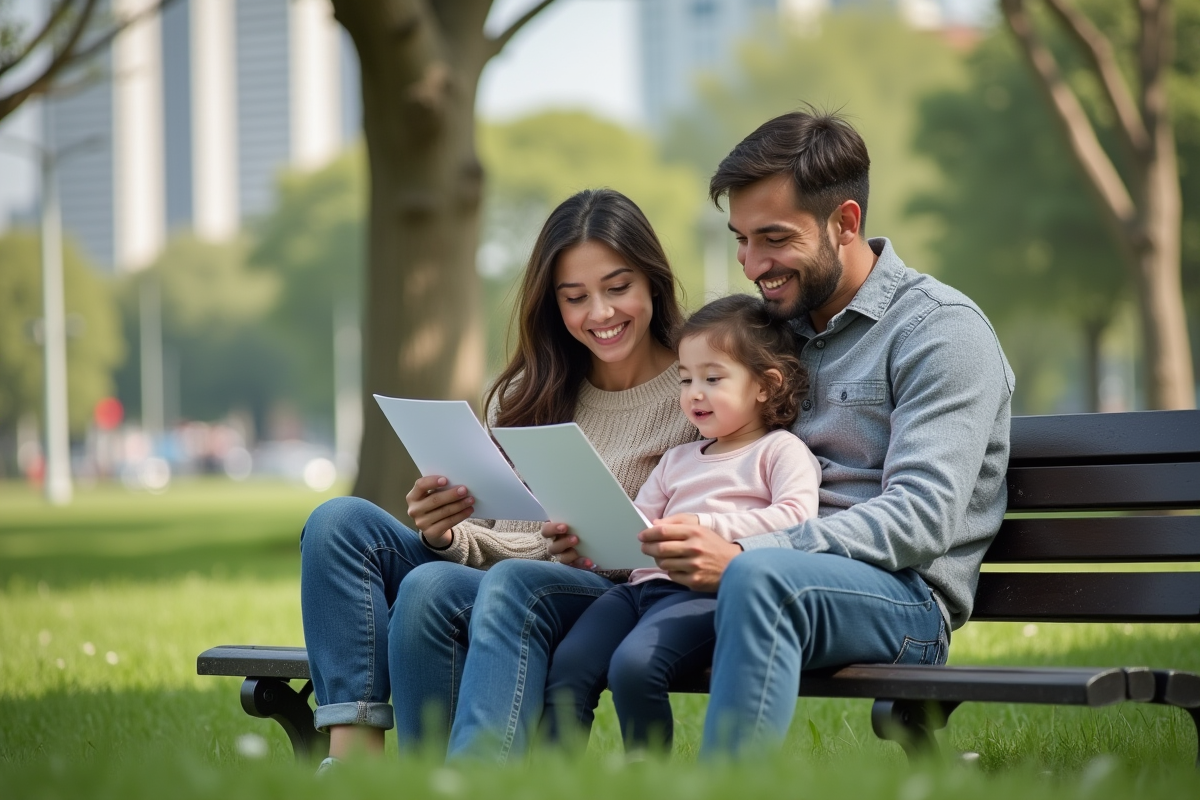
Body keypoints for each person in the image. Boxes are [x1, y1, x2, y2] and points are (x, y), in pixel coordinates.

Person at [634, 109, 1015, 755]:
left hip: (903, 599)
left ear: (845, 223)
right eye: (741, 239)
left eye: (773, 239)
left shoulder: (939, 330)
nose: (753, 264)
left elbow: (921, 520)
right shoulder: (776, 330)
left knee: (761, 581)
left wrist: (752, 554)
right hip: (774, 574)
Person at [298, 188, 697, 766]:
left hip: (598, 592)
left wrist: (583, 546)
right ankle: (355, 759)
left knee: (430, 587)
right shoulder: (522, 392)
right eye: (575, 297)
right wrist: (443, 531)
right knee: (337, 523)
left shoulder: (696, 391)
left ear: (652, 282)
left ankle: (438, 777)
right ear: (553, 304)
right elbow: (484, 532)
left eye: (618, 287)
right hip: (493, 571)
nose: (601, 314)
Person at [541, 294, 821, 754]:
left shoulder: (780, 452)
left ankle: (645, 778)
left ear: (766, 385)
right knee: (569, 664)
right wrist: (589, 533)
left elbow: (796, 519)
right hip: (638, 591)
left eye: (712, 378)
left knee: (633, 667)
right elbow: (640, 524)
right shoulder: (677, 459)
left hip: (706, 594)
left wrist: (705, 525)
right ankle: (556, 781)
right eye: (686, 378)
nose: (694, 393)